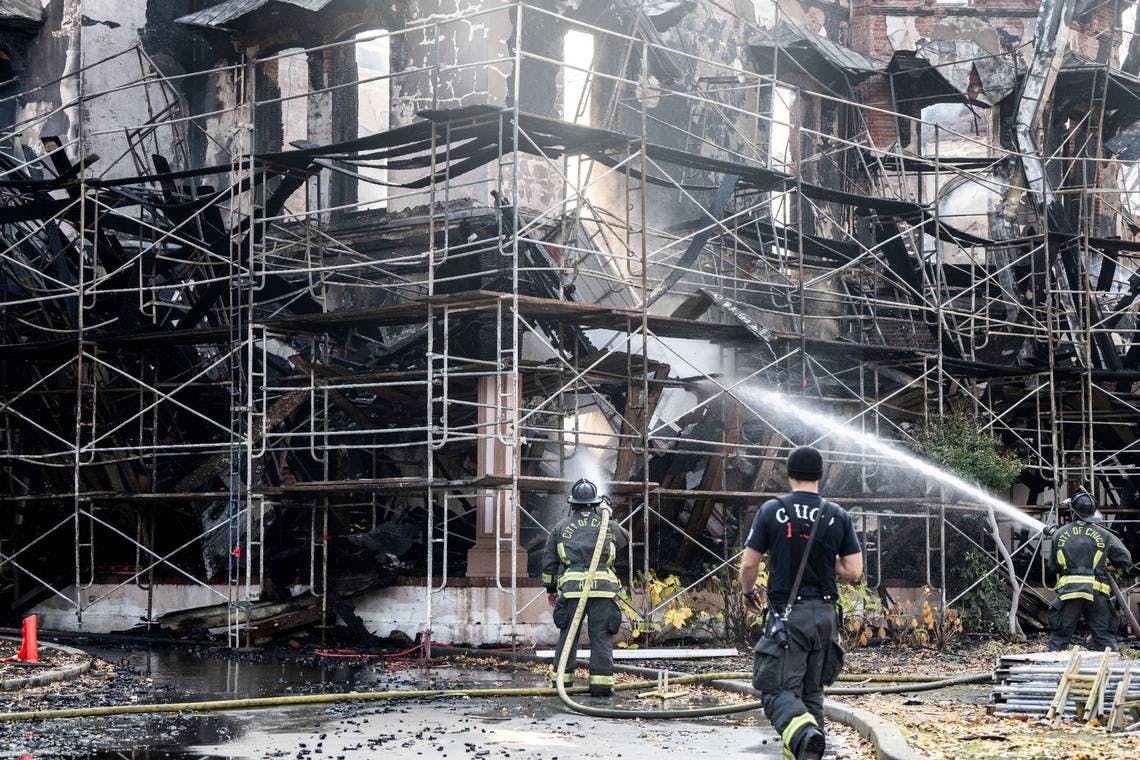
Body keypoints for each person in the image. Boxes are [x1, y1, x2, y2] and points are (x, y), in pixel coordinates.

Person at [738, 446, 863, 760]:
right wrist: (824, 555)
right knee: (811, 694)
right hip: (824, 617)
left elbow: (749, 565)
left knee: (776, 689)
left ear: (788, 474)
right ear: (820, 476)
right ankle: (807, 751)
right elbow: (854, 571)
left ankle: (806, 737)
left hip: (787, 616)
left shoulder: (772, 510)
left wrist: (747, 592)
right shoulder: (838, 515)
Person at [541, 478, 629, 696]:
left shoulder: (561, 527)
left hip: (572, 591)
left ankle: (562, 683)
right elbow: (625, 539)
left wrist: (550, 589)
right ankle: (601, 686)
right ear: (594, 503)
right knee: (600, 636)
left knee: (568, 636)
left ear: (572, 503)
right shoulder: (606, 523)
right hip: (602, 591)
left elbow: (549, 562)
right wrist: (607, 514)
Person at [1048, 491, 1131, 651]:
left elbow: (1053, 566)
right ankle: (1111, 673)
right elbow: (1125, 559)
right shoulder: (1104, 534)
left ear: (1073, 512)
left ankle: (1057, 673)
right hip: (1096, 594)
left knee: (1060, 637)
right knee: (1105, 637)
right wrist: (1106, 564)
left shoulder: (1059, 533)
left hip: (1070, 594)